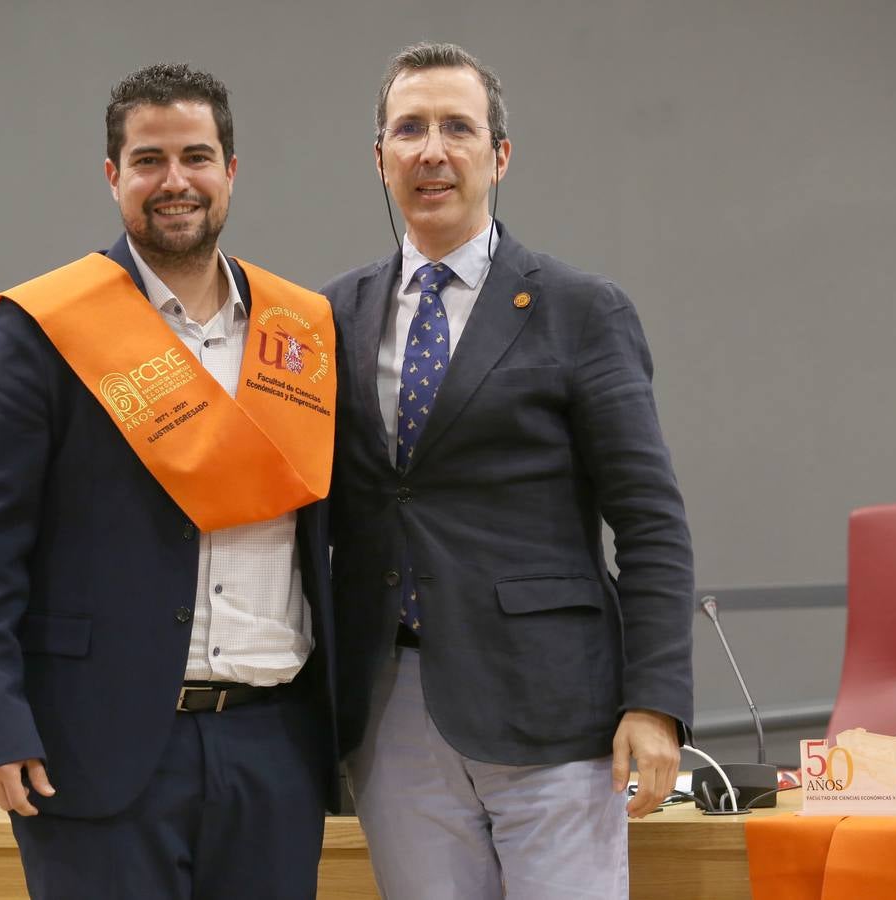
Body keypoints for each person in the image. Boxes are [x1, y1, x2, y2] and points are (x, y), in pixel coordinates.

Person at [0, 63, 339, 900]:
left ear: (230, 172)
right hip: (95, 741)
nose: (175, 181)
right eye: (149, 159)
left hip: (274, 744)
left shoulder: (301, 331)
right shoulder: (47, 328)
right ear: (113, 175)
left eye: (196, 156)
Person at [323, 42, 694, 899]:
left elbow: (649, 520)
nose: (433, 151)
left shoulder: (580, 309)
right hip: (393, 707)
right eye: (409, 129)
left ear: (500, 155)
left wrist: (656, 700)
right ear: (379, 158)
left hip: (554, 706)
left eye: (458, 127)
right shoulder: (329, 315)